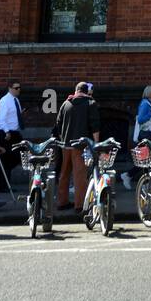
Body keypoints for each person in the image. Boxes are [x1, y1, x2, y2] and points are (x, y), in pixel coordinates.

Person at [55, 82, 100, 213]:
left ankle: (62, 202)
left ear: (76, 91)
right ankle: (80, 205)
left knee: (64, 174)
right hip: (81, 145)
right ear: (86, 92)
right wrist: (95, 144)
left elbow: (58, 123)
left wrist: (63, 139)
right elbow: (95, 125)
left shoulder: (66, 103)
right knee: (80, 175)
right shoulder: (90, 104)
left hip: (65, 145)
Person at [0, 80, 24, 188]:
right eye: (16, 88)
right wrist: (7, 131)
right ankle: (2, 184)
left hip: (15, 132)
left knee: (18, 157)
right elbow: (1, 118)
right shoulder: (5, 100)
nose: (19, 90)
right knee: (7, 159)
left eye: (19, 87)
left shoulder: (16, 100)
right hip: (6, 133)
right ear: (10, 88)